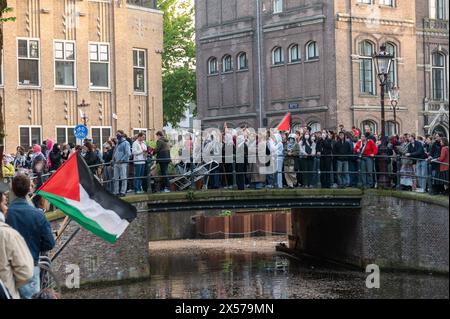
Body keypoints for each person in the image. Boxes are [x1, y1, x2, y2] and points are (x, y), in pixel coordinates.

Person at [6, 174, 55, 299]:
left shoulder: (6, 215)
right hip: (30, 266)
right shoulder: (37, 215)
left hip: (9, 270)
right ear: (29, 190)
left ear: (12, 189)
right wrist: (35, 246)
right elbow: (49, 243)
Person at [0, 218, 34, 299]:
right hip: (6, 292)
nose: (7, 208)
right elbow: (26, 273)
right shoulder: (6, 233)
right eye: (5, 204)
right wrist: (12, 284)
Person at [113, 131, 132, 197]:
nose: (117, 135)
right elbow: (115, 152)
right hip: (116, 163)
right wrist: (113, 160)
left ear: (122, 134)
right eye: (117, 134)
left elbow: (128, 153)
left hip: (122, 163)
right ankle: (116, 191)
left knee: (123, 177)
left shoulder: (126, 143)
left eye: (118, 134)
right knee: (115, 178)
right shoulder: (118, 143)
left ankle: (123, 191)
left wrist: (122, 160)